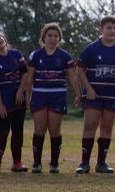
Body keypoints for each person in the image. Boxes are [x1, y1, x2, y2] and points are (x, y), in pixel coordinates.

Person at [76, 15, 115, 174]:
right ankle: (84, 163)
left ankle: (101, 163)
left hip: (113, 96)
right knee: (89, 126)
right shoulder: (92, 48)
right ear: (101, 29)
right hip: (94, 95)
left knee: (107, 127)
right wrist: (88, 89)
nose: (112, 31)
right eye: (109, 28)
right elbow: (80, 70)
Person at [26, 23, 78, 173]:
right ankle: (37, 163)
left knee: (55, 130)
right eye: (50, 35)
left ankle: (54, 163)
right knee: (39, 129)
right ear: (43, 37)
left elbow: (73, 76)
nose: (52, 38)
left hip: (58, 95)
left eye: (56, 36)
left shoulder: (64, 56)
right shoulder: (35, 55)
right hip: (39, 95)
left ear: (59, 38)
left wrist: (78, 94)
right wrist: (28, 97)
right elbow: (29, 78)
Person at [0, 32, 30, 172]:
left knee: (18, 131)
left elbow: (25, 73)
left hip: (18, 101)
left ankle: (17, 163)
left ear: (5, 39)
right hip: (3, 103)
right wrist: (0, 105)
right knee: (3, 132)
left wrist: (20, 91)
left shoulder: (16, 54)